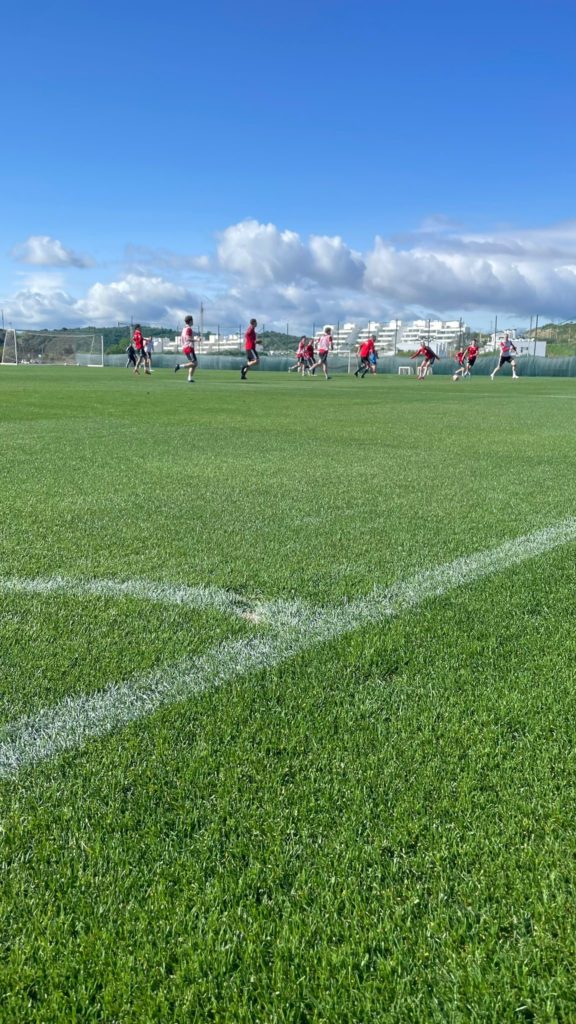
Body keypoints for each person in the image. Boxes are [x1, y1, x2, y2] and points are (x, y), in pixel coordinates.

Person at [175, 315, 198, 382]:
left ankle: (189, 378)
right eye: (192, 320)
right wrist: (196, 340)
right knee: (195, 363)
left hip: (185, 347)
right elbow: (188, 338)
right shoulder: (189, 329)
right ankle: (179, 366)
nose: (193, 322)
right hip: (189, 347)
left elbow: (182, 339)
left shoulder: (184, 329)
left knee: (192, 363)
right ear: (190, 321)